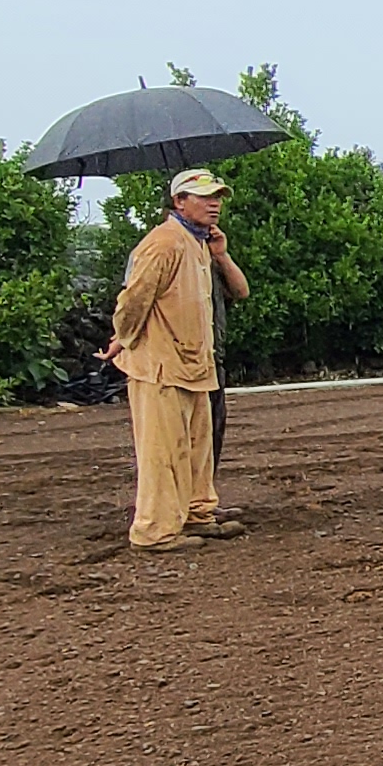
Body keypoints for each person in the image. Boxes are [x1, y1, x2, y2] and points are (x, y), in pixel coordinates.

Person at [110, 166, 245, 552]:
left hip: (194, 366)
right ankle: (154, 531)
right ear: (179, 201)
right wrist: (125, 339)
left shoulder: (199, 243)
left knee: (197, 450)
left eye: (217, 197)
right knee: (162, 452)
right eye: (204, 197)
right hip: (161, 367)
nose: (214, 204)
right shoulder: (163, 243)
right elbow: (133, 301)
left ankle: (196, 514)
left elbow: (236, 292)